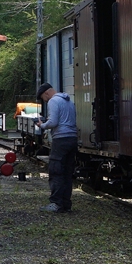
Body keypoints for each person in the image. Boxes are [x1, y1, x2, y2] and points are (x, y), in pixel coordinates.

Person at [35, 83, 78, 213]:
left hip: (61, 139)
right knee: (67, 173)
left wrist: (42, 125)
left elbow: (53, 122)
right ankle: (66, 204)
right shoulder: (69, 101)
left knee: (56, 171)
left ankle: (56, 203)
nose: (44, 100)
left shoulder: (53, 101)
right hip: (72, 139)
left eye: (43, 98)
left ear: (46, 93)